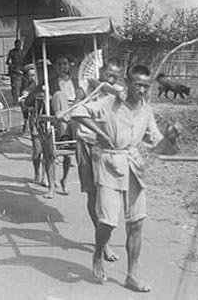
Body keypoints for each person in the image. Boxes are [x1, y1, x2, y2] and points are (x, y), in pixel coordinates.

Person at [71, 64, 179, 293]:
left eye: (146, 86)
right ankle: (98, 252)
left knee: (137, 223)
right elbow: (77, 112)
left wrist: (171, 139)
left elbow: (160, 148)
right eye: (137, 85)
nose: (141, 90)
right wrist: (101, 132)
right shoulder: (110, 103)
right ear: (128, 83)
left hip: (134, 165)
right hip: (110, 164)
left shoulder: (146, 110)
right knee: (108, 221)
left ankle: (132, 275)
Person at [73, 58, 125, 263]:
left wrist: (103, 86)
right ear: (101, 70)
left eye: (115, 76)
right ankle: (103, 243)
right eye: (108, 74)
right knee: (92, 195)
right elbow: (75, 113)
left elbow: (123, 96)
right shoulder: (85, 88)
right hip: (86, 143)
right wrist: (89, 93)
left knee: (106, 195)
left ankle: (104, 241)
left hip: (106, 149)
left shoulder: (117, 91)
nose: (111, 78)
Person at [47, 54, 85, 195]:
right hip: (59, 114)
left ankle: (64, 179)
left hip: (74, 112)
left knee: (78, 99)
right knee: (59, 95)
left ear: (69, 65)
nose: (62, 67)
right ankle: (51, 186)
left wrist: (73, 108)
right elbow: (33, 96)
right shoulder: (50, 82)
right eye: (59, 64)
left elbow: (83, 99)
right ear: (55, 67)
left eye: (65, 64)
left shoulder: (77, 82)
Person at [18, 64, 44, 185]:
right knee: (37, 150)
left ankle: (45, 176)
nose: (33, 78)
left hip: (47, 120)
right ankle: (37, 174)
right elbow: (25, 104)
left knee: (48, 151)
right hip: (35, 120)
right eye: (30, 76)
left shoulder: (46, 86)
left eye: (34, 75)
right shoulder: (27, 90)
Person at [6, 40, 25, 104]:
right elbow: (7, 61)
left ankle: (20, 98)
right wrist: (12, 66)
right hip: (14, 71)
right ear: (15, 45)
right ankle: (15, 99)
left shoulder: (23, 52)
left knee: (22, 85)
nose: (18, 46)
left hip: (22, 70)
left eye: (19, 45)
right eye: (17, 45)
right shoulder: (12, 52)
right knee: (14, 86)